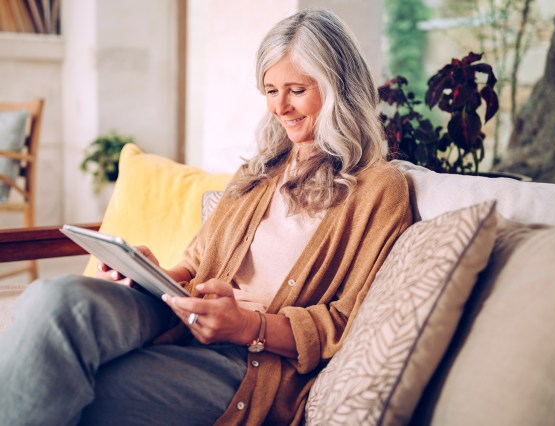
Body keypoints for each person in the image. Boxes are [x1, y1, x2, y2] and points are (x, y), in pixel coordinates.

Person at [0, 9, 412, 425]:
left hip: (250, 363)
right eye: (270, 90)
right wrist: (146, 271)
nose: (280, 107)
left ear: (338, 87)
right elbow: (194, 266)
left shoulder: (379, 188)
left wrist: (249, 326)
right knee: (50, 300)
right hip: (180, 314)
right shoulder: (260, 171)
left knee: (80, 384)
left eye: (297, 90)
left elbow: (347, 322)